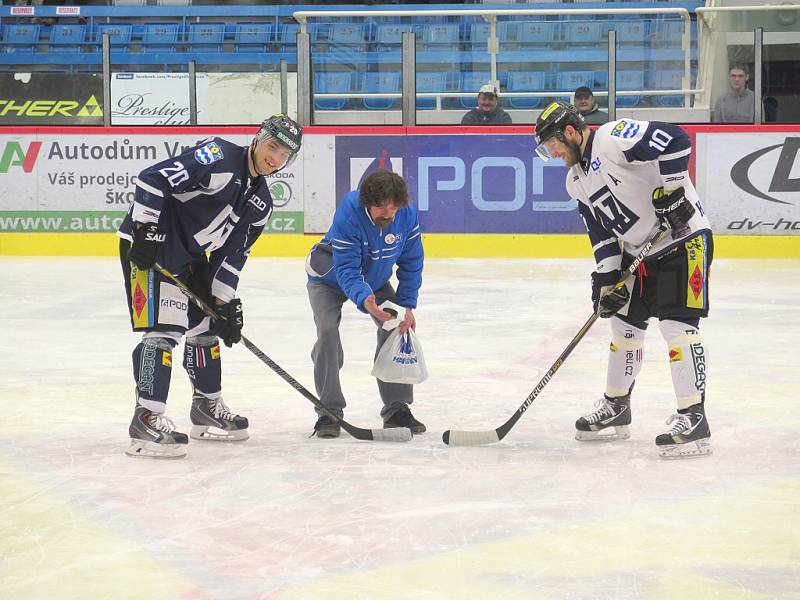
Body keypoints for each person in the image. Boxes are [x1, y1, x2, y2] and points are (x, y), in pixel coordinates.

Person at [534, 101, 713, 459]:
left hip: (684, 241)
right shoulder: (575, 181)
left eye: (551, 144)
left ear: (569, 132)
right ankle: (617, 407)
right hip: (640, 253)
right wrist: (607, 279)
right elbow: (600, 233)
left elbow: (675, 139)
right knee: (624, 327)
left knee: (677, 327)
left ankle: (694, 418)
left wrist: (673, 190)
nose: (552, 153)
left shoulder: (614, 138)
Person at [118, 114, 303, 458]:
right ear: (259, 138)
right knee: (164, 331)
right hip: (150, 250)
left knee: (206, 327)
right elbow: (153, 179)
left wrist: (224, 304)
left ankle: (206, 407)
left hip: (187, 257)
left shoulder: (261, 201)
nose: (275, 158)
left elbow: (233, 256)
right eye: (273, 147)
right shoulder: (217, 155)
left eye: (284, 155)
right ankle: (146, 417)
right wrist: (144, 230)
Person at [305, 169, 426, 438]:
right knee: (327, 331)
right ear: (366, 202)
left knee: (398, 327)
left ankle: (396, 407)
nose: (388, 213)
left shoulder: (406, 215)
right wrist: (366, 300)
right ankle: (329, 409)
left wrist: (406, 305)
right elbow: (347, 268)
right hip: (330, 277)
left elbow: (412, 261)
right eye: (380, 207)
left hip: (375, 278)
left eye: (393, 207)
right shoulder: (349, 211)